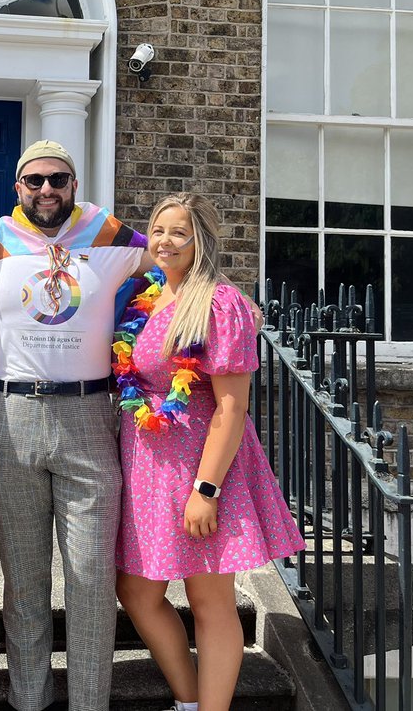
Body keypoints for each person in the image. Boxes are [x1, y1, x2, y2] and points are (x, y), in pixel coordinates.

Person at [0, 140, 149, 711]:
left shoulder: (107, 237)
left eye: (58, 179)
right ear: (18, 187)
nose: (46, 189)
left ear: (74, 185)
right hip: (11, 417)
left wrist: (218, 307)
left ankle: (88, 704)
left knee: (92, 579)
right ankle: (29, 700)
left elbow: (176, 258)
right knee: (24, 581)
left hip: (88, 417)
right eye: (34, 180)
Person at [112, 193, 305, 711]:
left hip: (201, 464)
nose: (165, 241)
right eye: (158, 230)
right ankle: (190, 699)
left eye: (179, 232)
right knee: (137, 592)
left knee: (209, 599)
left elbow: (231, 407)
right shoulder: (147, 298)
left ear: (202, 241)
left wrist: (206, 489)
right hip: (149, 468)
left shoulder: (219, 304)